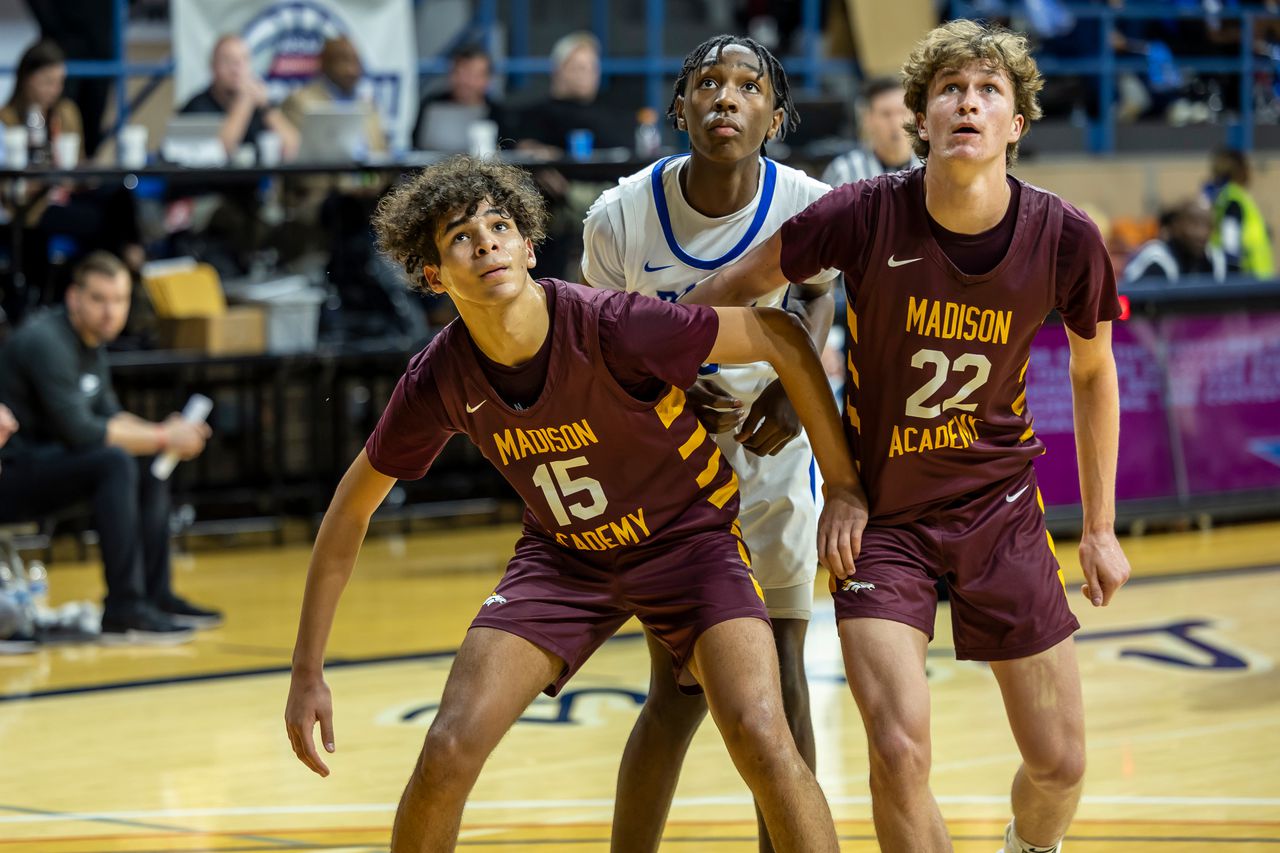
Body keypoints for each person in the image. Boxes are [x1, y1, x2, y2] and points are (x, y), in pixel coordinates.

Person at [283, 155, 867, 853]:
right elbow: (349, 513)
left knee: (761, 733)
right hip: (565, 558)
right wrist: (306, 670)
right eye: (461, 237)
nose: (487, 243)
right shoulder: (438, 375)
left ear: (529, 247)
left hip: (688, 545)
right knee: (447, 746)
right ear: (435, 275)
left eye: (500, 227)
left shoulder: (614, 325)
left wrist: (842, 486)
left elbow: (781, 335)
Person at [685, 20, 1133, 853]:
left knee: (1061, 764)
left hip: (1000, 512)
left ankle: (1029, 846)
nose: (968, 103)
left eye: (988, 91)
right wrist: (640, 348)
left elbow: (1094, 371)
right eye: (949, 91)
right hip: (883, 517)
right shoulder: (862, 213)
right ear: (918, 118)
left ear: (1016, 123)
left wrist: (1100, 528)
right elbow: (738, 288)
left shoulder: (1066, 235)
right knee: (895, 751)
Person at [580, 35, 835, 853]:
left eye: (748, 86)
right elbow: (597, 351)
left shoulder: (808, 202)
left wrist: (799, 399)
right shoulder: (618, 217)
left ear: (776, 115)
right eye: (708, 83)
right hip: (667, 467)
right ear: (679, 106)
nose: (727, 97)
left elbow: (819, 298)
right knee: (679, 687)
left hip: (770, 450)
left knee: (786, 667)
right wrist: (660, 387)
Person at [0, 251, 220, 644]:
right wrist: (164, 437)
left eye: (119, 300)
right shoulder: (45, 342)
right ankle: (123, 607)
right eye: (99, 299)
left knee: (142, 457)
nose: (110, 312)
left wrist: (161, 432)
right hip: (13, 473)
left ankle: (156, 596)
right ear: (74, 298)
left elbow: (112, 417)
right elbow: (83, 431)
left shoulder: (90, 343)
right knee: (114, 461)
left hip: (51, 464)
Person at [1, 39, 144, 311]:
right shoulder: (7, 120)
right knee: (103, 223)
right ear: (27, 80)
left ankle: (123, 267)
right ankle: (119, 281)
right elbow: (10, 185)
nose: (55, 90)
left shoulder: (66, 112)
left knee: (120, 192)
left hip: (68, 193)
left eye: (59, 82)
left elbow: (76, 162)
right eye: (47, 81)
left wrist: (82, 173)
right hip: (34, 204)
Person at [181, 34, 299, 161]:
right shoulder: (197, 106)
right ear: (213, 67)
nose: (236, 69)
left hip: (254, 179)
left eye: (243, 60)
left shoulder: (260, 105)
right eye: (228, 61)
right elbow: (220, 151)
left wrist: (266, 108)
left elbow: (295, 148)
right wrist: (244, 101)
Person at [281, 36, 387, 158]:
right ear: (324, 63)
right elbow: (297, 161)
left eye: (356, 61)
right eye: (343, 60)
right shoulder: (299, 103)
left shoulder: (368, 105)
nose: (351, 70)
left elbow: (382, 153)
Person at [821, 75, 922, 188]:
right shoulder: (844, 171)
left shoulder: (932, 167)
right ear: (867, 119)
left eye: (902, 112)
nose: (895, 122)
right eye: (886, 114)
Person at [412, 44, 511, 152]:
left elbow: (512, 151)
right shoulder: (430, 106)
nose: (466, 82)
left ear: (487, 79)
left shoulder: (500, 115)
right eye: (460, 73)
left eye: (474, 75)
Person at [1206, 147, 1274, 279]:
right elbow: (1231, 247)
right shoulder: (1234, 200)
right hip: (1248, 282)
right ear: (1241, 170)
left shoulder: (1228, 197)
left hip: (1255, 281)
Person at [1123, 197, 1225, 284]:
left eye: (1208, 225)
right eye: (1194, 224)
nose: (1202, 233)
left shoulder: (1215, 259)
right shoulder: (1156, 259)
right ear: (1175, 226)